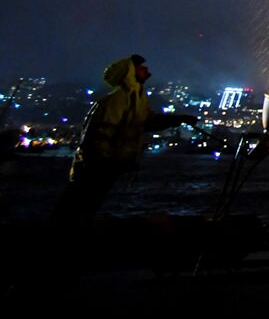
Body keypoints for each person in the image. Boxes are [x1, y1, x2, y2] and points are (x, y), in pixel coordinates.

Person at [51, 54, 196, 224]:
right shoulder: (118, 100)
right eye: (141, 67)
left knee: (84, 207)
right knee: (79, 207)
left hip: (106, 165)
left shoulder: (136, 98)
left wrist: (178, 119)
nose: (147, 69)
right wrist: (103, 161)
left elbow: (147, 121)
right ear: (130, 72)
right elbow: (100, 134)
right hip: (98, 167)